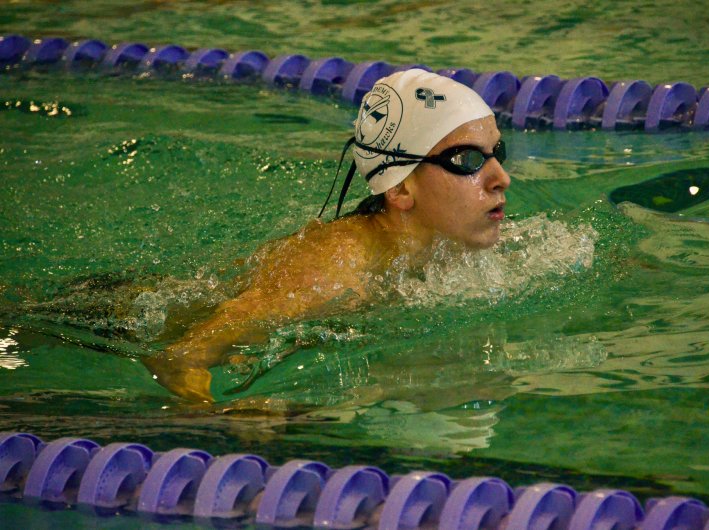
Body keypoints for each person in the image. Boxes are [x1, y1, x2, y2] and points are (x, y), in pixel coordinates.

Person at [143, 68, 511, 402]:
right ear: (399, 188)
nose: (501, 178)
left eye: (497, 151)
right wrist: (220, 415)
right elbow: (180, 358)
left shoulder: (452, 247)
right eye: (467, 160)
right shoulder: (336, 267)